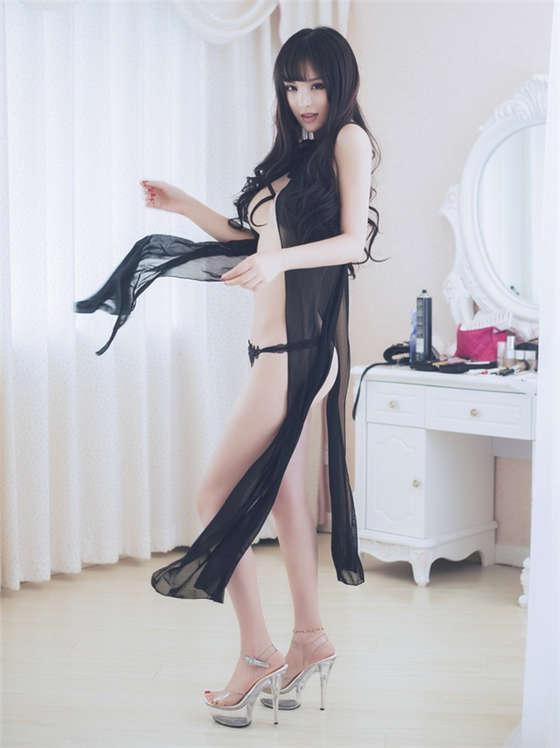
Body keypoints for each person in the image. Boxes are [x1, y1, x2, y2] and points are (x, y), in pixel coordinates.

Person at [74, 26, 381, 729]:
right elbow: (254, 243)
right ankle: (309, 640)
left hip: (297, 350)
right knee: (286, 500)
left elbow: (351, 244)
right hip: (272, 348)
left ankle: (257, 652)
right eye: (292, 85)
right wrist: (186, 206)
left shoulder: (348, 140)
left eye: (317, 84)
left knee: (214, 492)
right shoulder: (296, 153)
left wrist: (276, 263)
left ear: (341, 85)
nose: (304, 99)